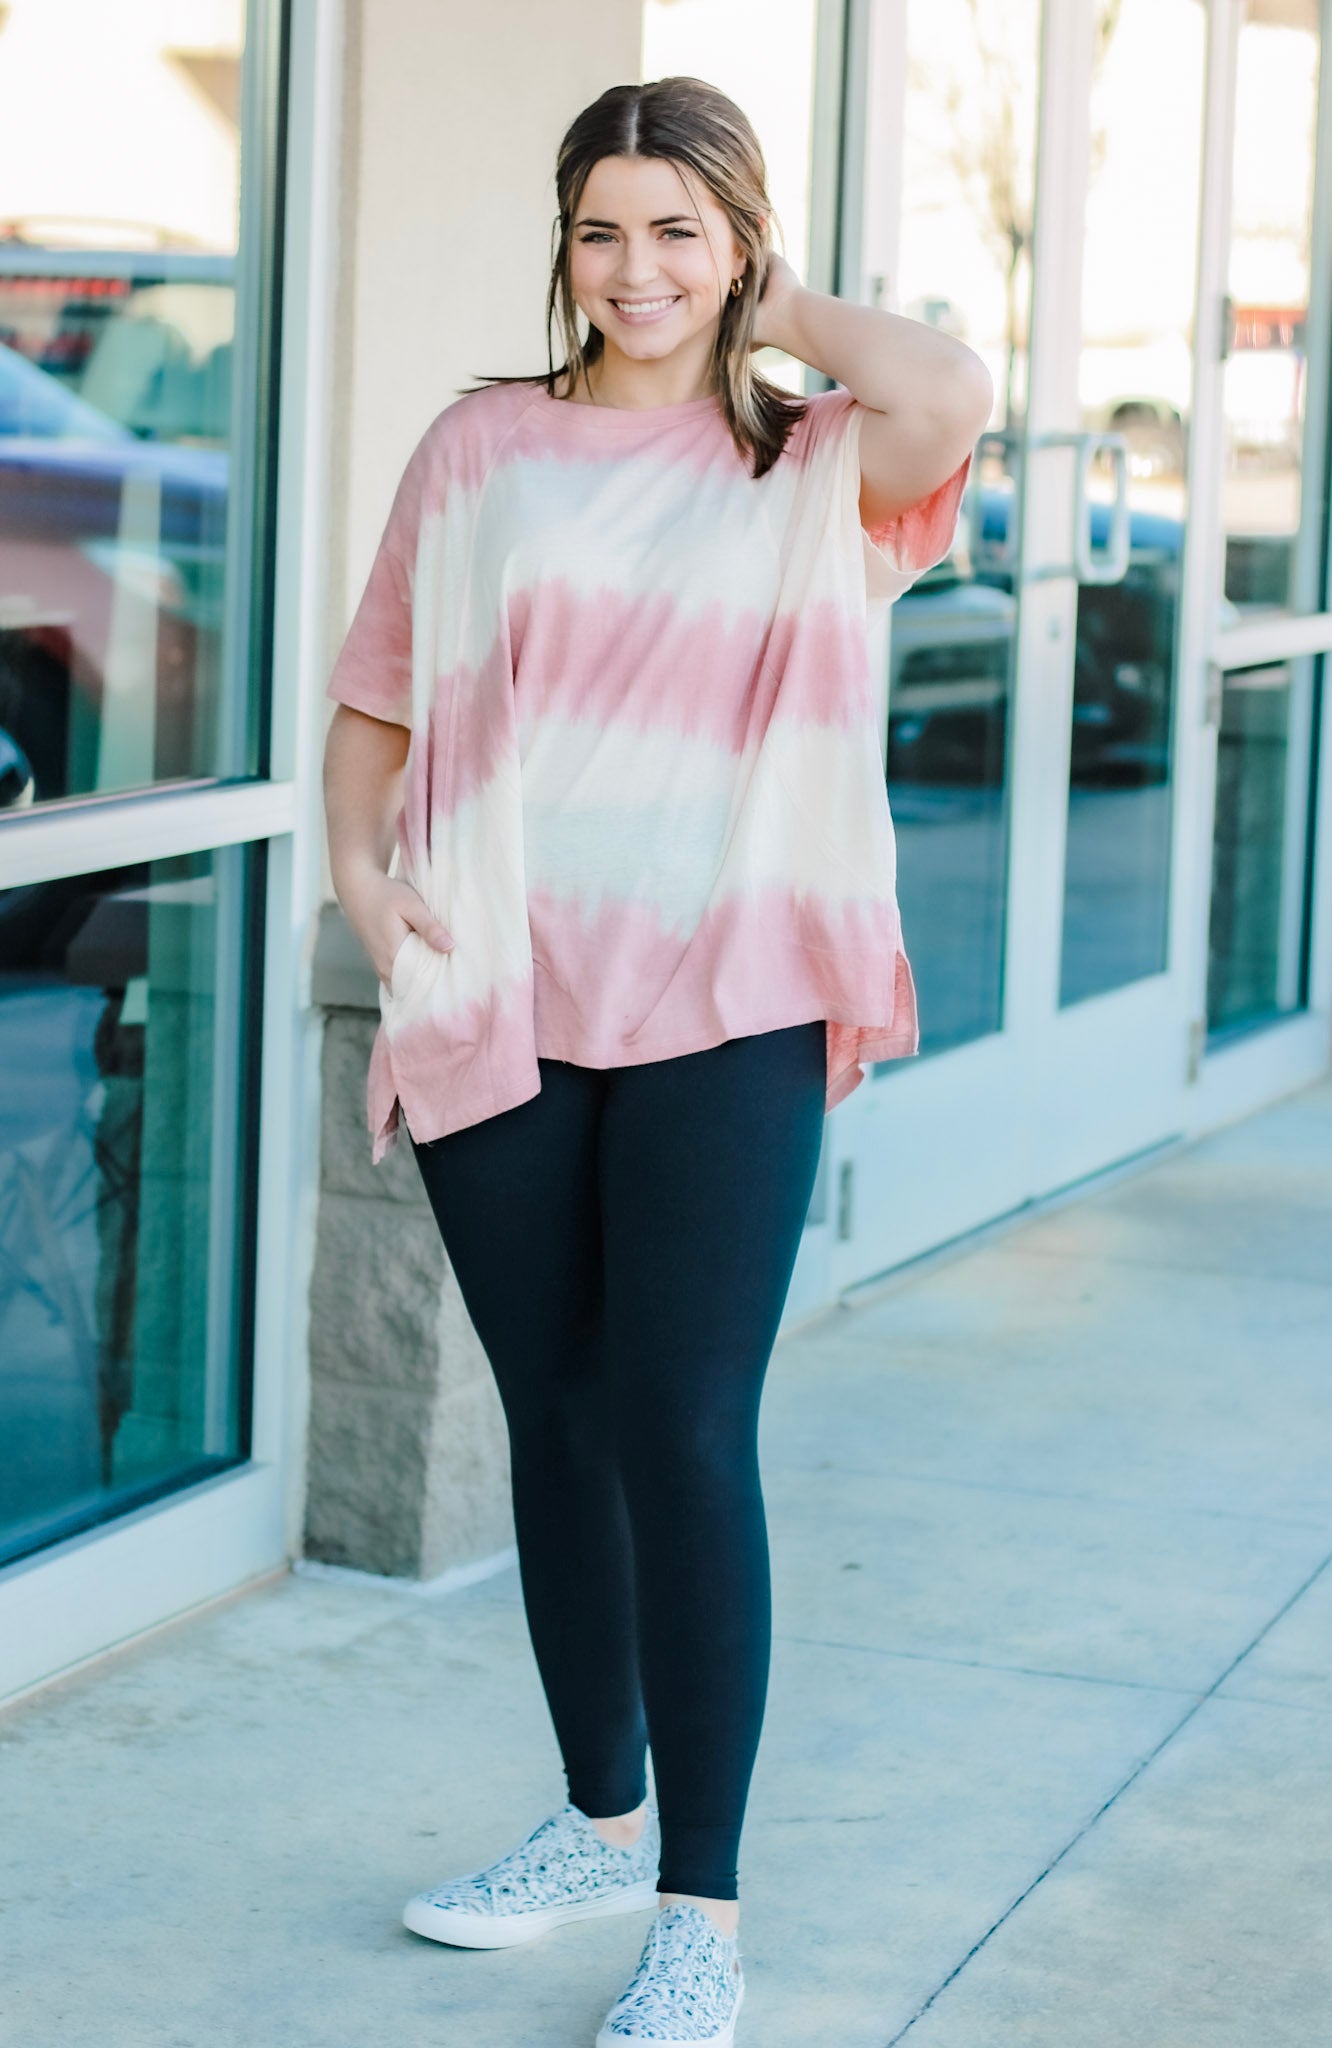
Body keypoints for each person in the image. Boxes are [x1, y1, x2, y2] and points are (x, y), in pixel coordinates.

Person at [322, 73, 991, 2048]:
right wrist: (366, 889)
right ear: (563, 241)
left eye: (678, 230)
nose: (634, 269)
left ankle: (701, 1912)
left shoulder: (817, 460)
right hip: (504, 994)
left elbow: (952, 385)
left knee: (687, 1429)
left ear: (741, 243)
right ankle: (598, 1823)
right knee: (561, 1420)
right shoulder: (482, 447)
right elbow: (375, 695)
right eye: (603, 229)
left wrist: (767, 310)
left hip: (735, 997)